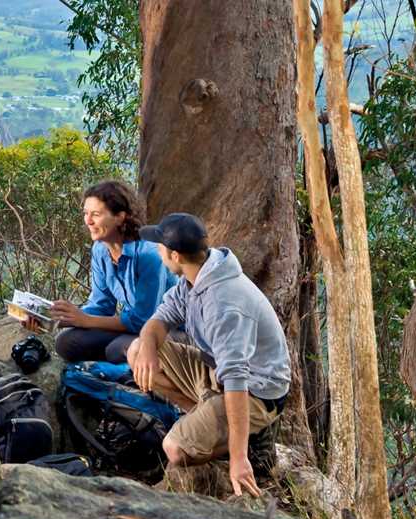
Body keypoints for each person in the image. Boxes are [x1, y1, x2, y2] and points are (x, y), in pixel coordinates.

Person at [126, 212, 290, 497]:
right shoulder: (193, 279)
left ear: (175, 255)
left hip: (256, 391)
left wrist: (239, 459)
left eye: (160, 246)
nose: (156, 249)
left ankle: (246, 440)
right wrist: (149, 349)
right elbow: (157, 322)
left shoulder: (223, 303)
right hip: (215, 373)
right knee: (137, 350)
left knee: (174, 449)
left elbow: (237, 379)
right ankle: (209, 420)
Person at [30, 180, 177, 364]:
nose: (88, 221)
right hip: (134, 329)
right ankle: (121, 365)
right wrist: (57, 319)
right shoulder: (100, 250)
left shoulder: (149, 255)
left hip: (165, 330)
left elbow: (144, 319)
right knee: (66, 342)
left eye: (96, 214)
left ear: (120, 217)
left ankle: (136, 369)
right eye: (86, 214)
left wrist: (85, 320)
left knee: (117, 349)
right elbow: (102, 305)